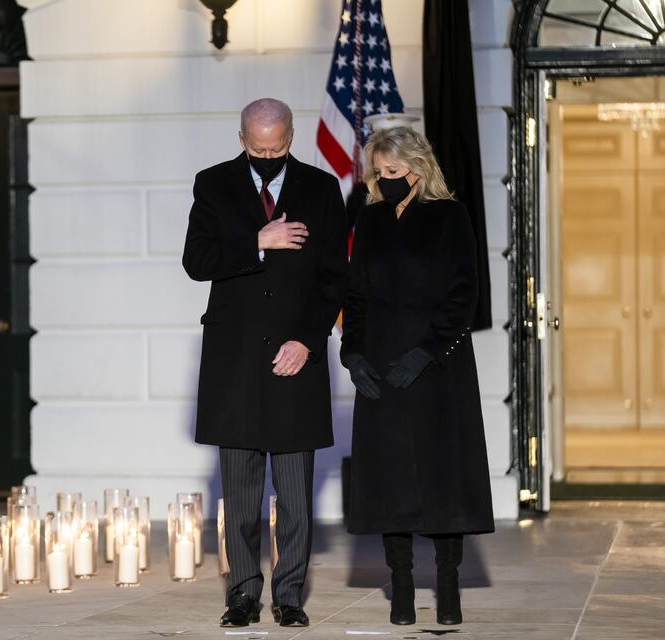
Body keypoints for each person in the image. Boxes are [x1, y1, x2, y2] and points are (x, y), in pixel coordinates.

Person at [182, 98, 347, 628]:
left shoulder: (321, 190)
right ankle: (242, 594)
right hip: (235, 364)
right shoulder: (212, 184)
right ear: (241, 139)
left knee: (296, 495)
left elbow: (333, 279)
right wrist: (257, 240)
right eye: (258, 149)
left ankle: (290, 594)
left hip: (296, 359)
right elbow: (196, 261)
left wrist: (307, 340)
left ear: (292, 138)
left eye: (277, 148)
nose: (268, 156)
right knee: (242, 493)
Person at [340, 126, 494, 626]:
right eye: (378, 173)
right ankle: (401, 585)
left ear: (419, 168)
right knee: (390, 482)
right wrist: (353, 353)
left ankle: (448, 587)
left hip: (437, 370)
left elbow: (463, 296)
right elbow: (356, 295)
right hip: (381, 369)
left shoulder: (450, 216)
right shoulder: (371, 220)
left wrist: (426, 353)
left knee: (441, 480)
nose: (386, 181)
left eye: (395, 172)